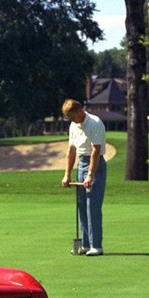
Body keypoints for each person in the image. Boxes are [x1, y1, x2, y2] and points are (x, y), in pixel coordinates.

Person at [60, 98, 107, 256]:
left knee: (92, 206)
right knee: (81, 206)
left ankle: (96, 246)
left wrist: (90, 175)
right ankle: (86, 245)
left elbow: (95, 151)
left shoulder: (95, 122)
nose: (73, 120)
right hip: (81, 163)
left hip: (96, 165)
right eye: (70, 118)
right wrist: (67, 174)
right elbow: (71, 151)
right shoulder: (73, 125)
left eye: (73, 116)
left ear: (80, 110)